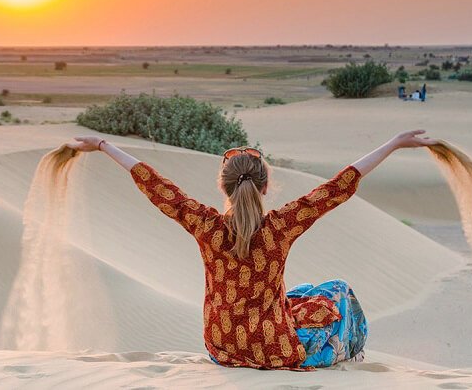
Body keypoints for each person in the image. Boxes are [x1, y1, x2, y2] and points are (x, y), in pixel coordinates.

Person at [67, 130, 437, 370]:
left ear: (223, 186)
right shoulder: (281, 226)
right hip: (275, 347)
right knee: (335, 291)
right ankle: (348, 359)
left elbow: (160, 189)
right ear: (264, 186)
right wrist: (394, 144)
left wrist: (103, 145)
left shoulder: (206, 225)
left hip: (220, 345)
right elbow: (338, 187)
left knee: (301, 295)